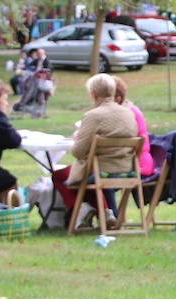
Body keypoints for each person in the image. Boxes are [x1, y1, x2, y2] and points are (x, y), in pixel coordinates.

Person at [51, 73, 139, 223]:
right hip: (127, 170)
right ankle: (105, 212)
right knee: (82, 178)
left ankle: (83, 210)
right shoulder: (129, 114)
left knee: (60, 176)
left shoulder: (93, 116)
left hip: (102, 171)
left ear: (93, 94)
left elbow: (78, 152)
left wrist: (80, 137)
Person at [113, 77, 155, 177]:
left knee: (101, 175)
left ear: (117, 99)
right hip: (133, 163)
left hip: (137, 166)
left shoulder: (127, 113)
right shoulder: (128, 108)